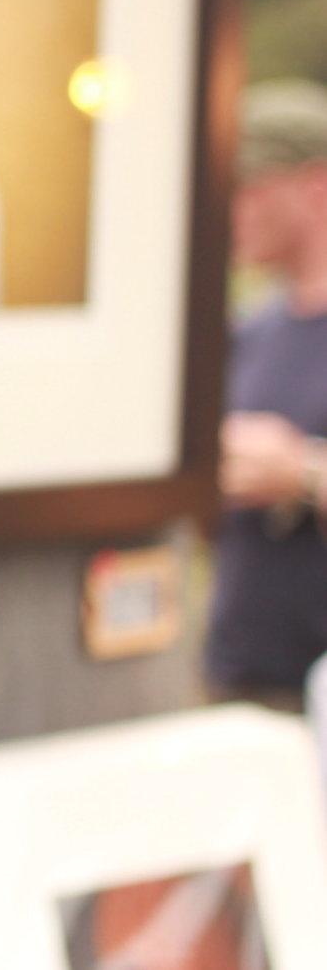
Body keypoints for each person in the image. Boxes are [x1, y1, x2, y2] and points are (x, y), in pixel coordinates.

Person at [203, 79, 327, 712]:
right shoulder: (247, 330)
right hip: (239, 683)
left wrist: (302, 472)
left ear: (317, 186)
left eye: (251, 187)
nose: (235, 209)